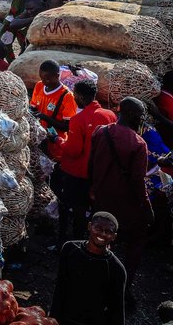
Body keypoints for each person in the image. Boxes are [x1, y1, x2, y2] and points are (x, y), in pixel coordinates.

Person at [88, 97, 152, 298]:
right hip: (126, 206)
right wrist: (147, 208)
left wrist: (93, 189)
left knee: (101, 240)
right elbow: (137, 182)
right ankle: (124, 289)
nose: (142, 120)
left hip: (101, 201)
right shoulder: (138, 143)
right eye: (141, 115)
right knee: (134, 244)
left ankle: (95, 281)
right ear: (132, 114)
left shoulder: (100, 132)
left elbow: (91, 166)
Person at [57, 81, 116, 243]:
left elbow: (74, 151)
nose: (74, 98)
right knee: (95, 208)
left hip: (78, 173)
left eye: (75, 95)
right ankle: (95, 239)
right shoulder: (110, 115)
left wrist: (58, 141)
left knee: (77, 209)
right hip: (100, 173)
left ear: (81, 97)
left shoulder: (78, 119)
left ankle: (76, 242)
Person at [48, 212, 126, 325]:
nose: (102, 234)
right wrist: (52, 318)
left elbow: (117, 310)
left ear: (114, 237)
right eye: (98, 228)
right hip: (65, 319)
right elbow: (60, 288)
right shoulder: (70, 249)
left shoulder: (116, 268)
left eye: (108, 231)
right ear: (89, 226)